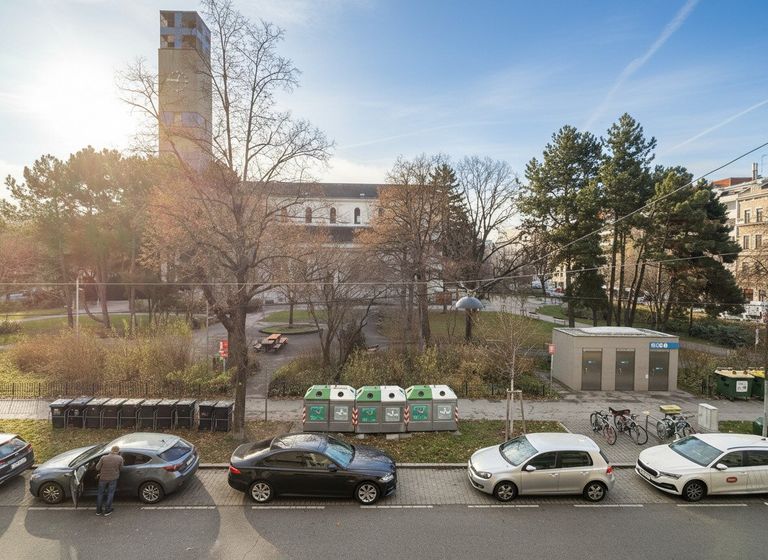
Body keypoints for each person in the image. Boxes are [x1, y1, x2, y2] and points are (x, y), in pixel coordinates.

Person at [95, 445, 124, 516]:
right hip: (113, 479)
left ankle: (98, 510)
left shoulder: (103, 457)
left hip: (103, 478)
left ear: (111, 450)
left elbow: (97, 468)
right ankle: (107, 510)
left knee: (100, 494)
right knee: (110, 494)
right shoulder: (120, 458)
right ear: (118, 451)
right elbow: (121, 469)